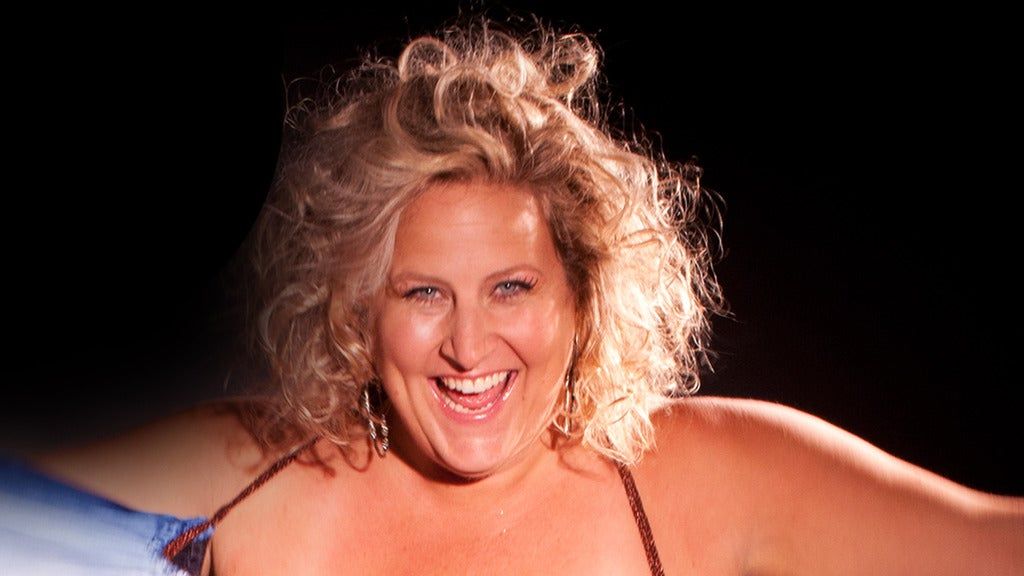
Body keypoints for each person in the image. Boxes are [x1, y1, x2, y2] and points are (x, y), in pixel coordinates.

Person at [2, 17, 1022, 575]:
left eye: (512, 287)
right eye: (422, 293)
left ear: (584, 297)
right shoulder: (254, 469)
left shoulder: (711, 476)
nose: (467, 344)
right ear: (358, 308)